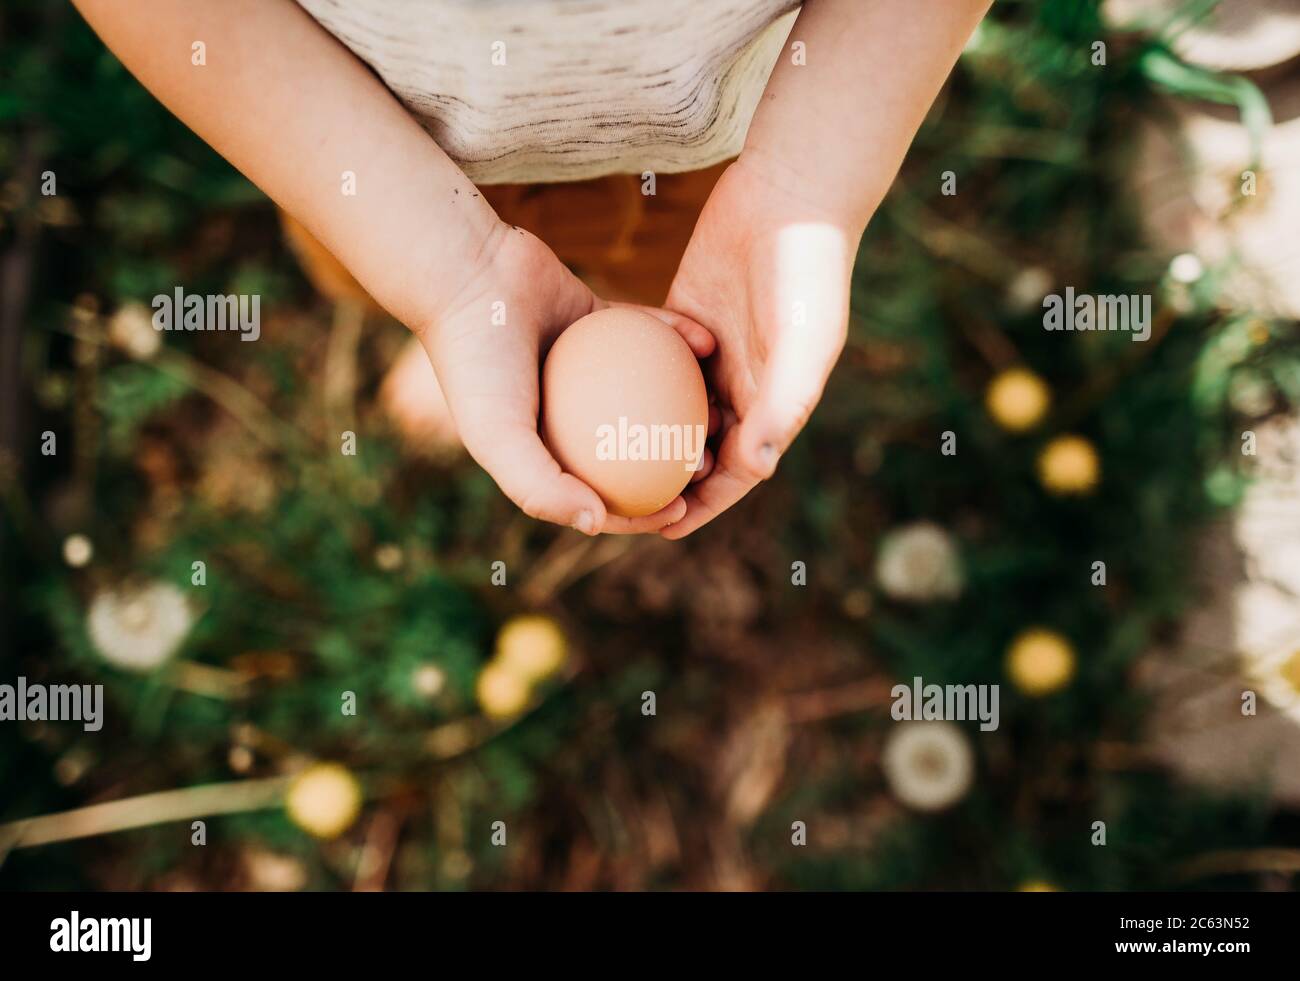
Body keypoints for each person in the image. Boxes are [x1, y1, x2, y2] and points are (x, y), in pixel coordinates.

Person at [72, 0, 991, 537]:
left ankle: (616, 325)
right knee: (371, 266)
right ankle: (489, 318)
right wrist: (446, 276)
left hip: (726, 132)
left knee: (670, 269)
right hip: (363, 147)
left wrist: (804, 179)